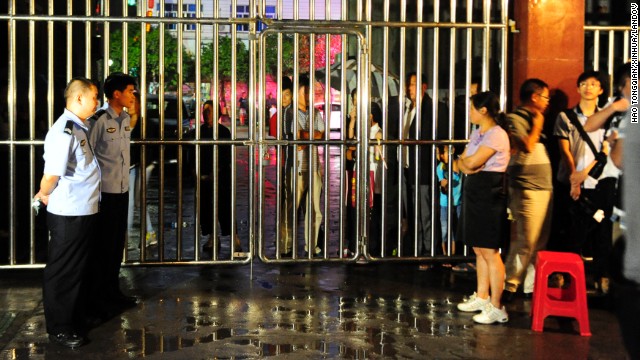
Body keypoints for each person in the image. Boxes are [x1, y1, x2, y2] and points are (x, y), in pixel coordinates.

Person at [34, 77, 100, 348]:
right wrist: (43, 193)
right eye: (95, 96)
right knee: (63, 271)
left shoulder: (79, 128)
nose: (98, 101)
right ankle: (59, 328)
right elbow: (51, 175)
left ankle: (73, 318)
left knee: (77, 269)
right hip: (68, 212)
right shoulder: (65, 130)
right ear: (79, 98)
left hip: (82, 209)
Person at [553, 70, 616, 293]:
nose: (588, 87)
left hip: (600, 183)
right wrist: (574, 179)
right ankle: (567, 277)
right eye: (584, 83)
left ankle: (601, 277)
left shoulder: (608, 118)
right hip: (570, 182)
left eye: (594, 84)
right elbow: (564, 150)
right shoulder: (565, 117)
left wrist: (583, 175)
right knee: (570, 230)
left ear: (601, 90)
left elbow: (605, 152)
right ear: (578, 88)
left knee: (602, 231)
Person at [456, 91, 510, 324]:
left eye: (471, 108)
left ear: (483, 110)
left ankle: (497, 305)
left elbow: (472, 162)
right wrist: (466, 163)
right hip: (476, 189)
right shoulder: (478, 132)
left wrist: (467, 163)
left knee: (490, 250)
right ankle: (482, 295)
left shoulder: (497, 135)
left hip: (490, 191)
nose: (468, 112)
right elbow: (463, 164)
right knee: (478, 248)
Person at [87, 72, 138, 318]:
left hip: (121, 190)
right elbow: (87, 153)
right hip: (104, 193)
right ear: (116, 94)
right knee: (103, 246)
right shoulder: (98, 120)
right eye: (129, 91)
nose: (132, 95)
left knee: (117, 243)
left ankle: (112, 291)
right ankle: (97, 296)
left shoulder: (125, 119)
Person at [502, 79, 553, 302]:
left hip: (543, 187)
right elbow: (527, 145)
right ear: (534, 97)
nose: (547, 102)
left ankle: (532, 285)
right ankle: (510, 285)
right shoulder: (516, 118)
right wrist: (539, 125)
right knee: (525, 238)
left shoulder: (534, 118)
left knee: (540, 239)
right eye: (545, 97)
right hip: (527, 188)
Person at [280, 75, 325, 257]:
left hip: (313, 166)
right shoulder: (289, 112)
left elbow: (321, 135)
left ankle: (311, 247)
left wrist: (308, 136)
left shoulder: (315, 112)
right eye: (304, 90)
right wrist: (309, 136)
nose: (307, 94)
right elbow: (296, 137)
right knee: (291, 208)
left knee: (315, 211)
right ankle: (285, 247)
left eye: (309, 91)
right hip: (295, 166)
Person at [196, 100, 243, 256]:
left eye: (210, 111)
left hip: (221, 175)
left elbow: (226, 155)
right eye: (205, 111)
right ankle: (211, 236)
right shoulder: (199, 131)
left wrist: (216, 171)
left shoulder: (223, 132)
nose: (206, 114)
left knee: (225, 206)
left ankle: (234, 237)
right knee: (205, 208)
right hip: (203, 175)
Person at [127, 91, 157, 246]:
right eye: (129, 101)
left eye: (133, 102)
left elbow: (150, 147)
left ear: (139, 104)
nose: (130, 104)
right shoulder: (123, 121)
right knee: (137, 201)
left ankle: (125, 237)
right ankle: (150, 232)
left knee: (133, 200)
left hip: (143, 165)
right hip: (131, 165)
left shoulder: (145, 123)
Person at [435, 145, 461, 257]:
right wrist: (444, 184)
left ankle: (454, 254)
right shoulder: (441, 167)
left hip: (458, 202)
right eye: (441, 153)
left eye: (444, 152)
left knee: (456, 229)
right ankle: (445, 254)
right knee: (445, 229)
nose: (442, 155)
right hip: (445, 203)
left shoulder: (459, 163)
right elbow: (442, 184)